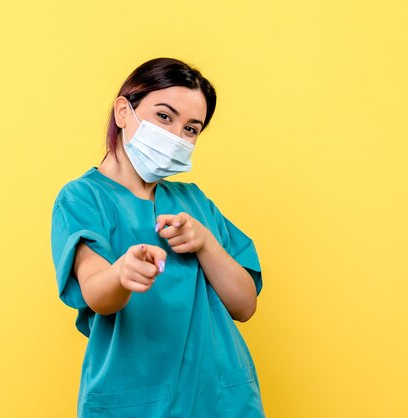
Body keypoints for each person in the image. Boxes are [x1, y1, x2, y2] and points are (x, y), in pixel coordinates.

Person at [50, 57, 265, 418]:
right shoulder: (82, 198)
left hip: (219, 398)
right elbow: (95, 292)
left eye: (191, 129)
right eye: (164, 116)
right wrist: (121, 274)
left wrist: (206, 243)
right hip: (134, 399)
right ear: (124, 111)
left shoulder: (195, 202)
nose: (176, 136)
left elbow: (245, 305)